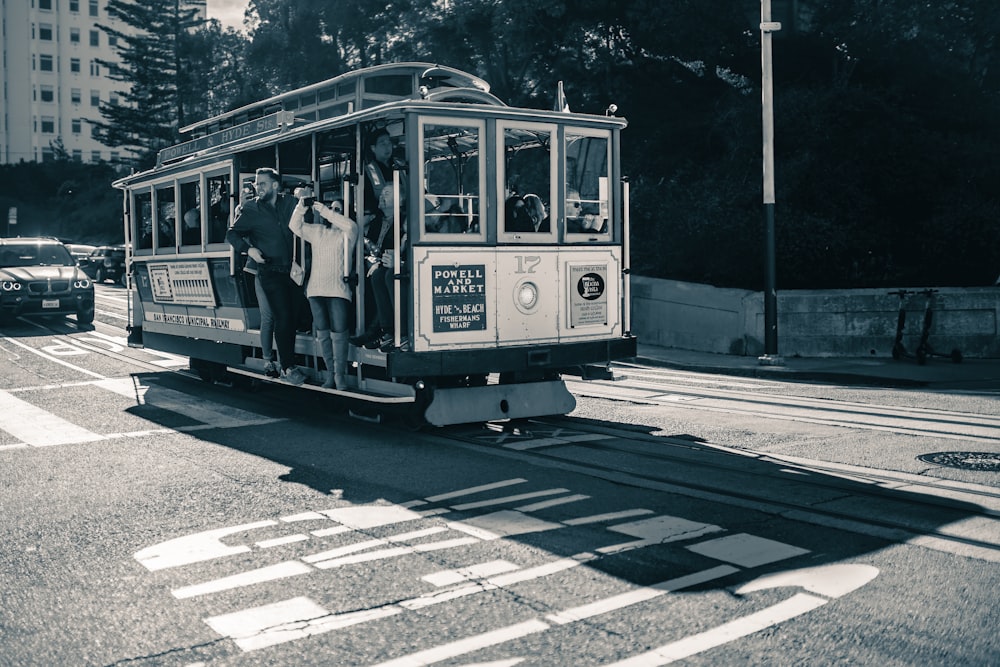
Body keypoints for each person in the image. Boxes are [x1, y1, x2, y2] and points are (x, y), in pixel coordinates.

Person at [226, 167, 306, 385]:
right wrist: (249, 250)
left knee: (295, 317)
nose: (257, 187)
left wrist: (305, 196)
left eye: (262, 183)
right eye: (256, 184)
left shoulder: (290, 203)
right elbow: (231, 234)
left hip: (294, 271)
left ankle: (287, 362)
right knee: (282, 316)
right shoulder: (251, 208)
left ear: (275, 185)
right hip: (269, 272)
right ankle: (287, 367)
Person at [289, 188, 358, 389]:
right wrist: (301, 207)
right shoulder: (318, 231)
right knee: (323, 334)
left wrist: (324, 210)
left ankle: (340, 376)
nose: (333, 212)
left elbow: (350, 224)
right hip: (316, 290)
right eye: (332, 208)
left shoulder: (348, 233)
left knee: (339, 332)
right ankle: (329, 375)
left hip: (338, 289)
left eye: (338, 209)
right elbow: (294, 225)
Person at [370, 184, 408, 352]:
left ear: (399, 199)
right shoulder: (376, 221)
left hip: (399, 265)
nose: (381, 196)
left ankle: (397, 331)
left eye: (386, 193)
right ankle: (384, 330)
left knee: (385, 275)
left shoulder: (405, 220)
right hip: (377, 263)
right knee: (377, 275)